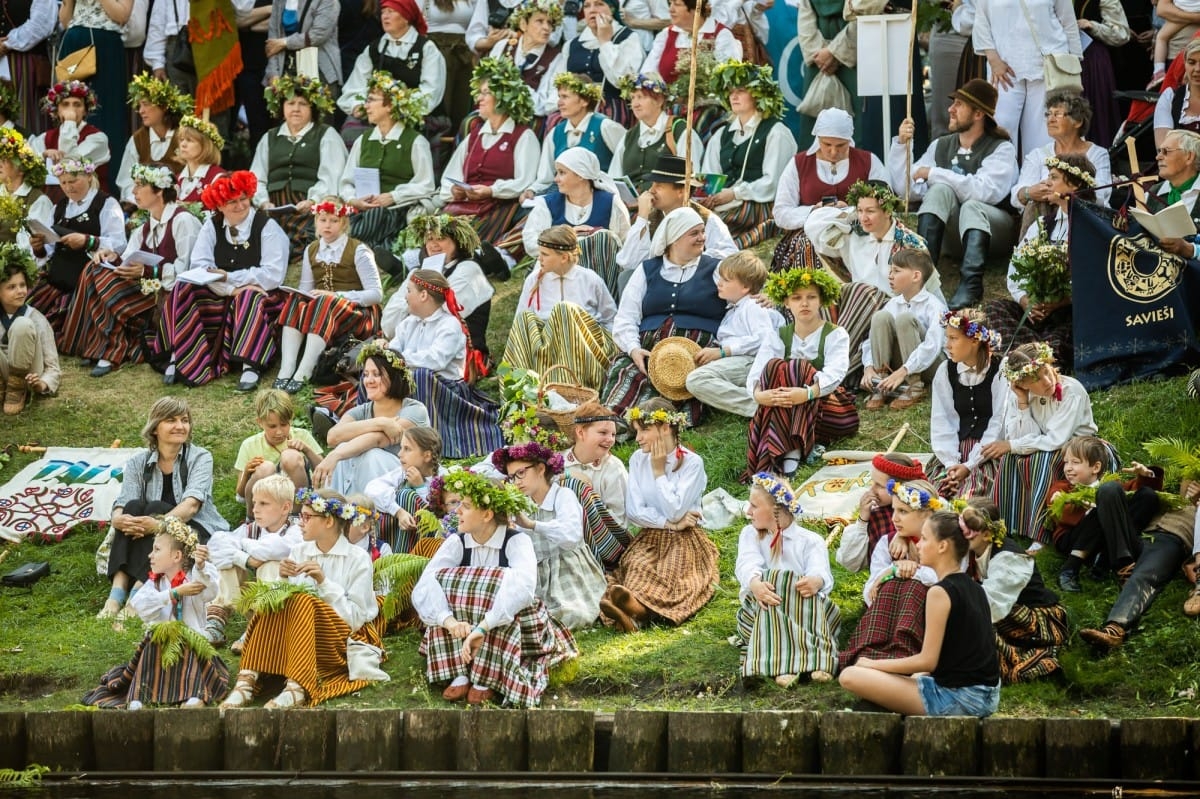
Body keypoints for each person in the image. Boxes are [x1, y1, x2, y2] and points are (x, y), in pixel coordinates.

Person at [412, 469, 578, 706]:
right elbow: (425, 585)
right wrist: (449, 621)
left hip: (507, 620)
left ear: (487, 514)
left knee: (496, 582)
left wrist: (483, 627)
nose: (457, 510)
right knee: (444, 579)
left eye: (466, 506)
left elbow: (523, 589)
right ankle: (460, 670)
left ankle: (486, 677)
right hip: (462, 623)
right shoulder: (457, 541)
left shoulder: (516, 541)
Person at [221, 488, 385, 709]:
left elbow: (356, 619)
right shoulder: (299, 551)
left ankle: (297, 687)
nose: (300, 523)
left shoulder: (358, 559)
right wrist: (283, 580)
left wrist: (324, 583)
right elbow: (285, 605)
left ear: (328, 522)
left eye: (307, 517)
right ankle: (246, 681)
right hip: (297, 637)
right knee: (275, 600)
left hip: (336, 641)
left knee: (304, 602)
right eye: (300, 516)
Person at [839, 509, 1002, 717]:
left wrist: (872, 664)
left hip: (961, 699)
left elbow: (927, 661)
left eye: (924, 539)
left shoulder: (939, 592)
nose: (917, 545)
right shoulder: (975, 588)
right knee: (913, 677)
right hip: (987, 695)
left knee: (850, 675)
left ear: (942, 546)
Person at [890, 78, 1019, 310]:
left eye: (959, 104)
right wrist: (901, 145)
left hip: (994, 233)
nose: (950, 109)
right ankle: (922, 272)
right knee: (939, 190)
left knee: (972, 205)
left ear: (978, 113)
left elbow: (983, 191)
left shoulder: (1001, 148)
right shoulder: (941, 145)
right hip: (953, 237)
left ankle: (971, 284)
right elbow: (906, 190)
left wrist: (933, 172)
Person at [159, 171, 289, 391]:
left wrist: (231, 278)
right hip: (221, 290)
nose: (240, 206)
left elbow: (272, 274)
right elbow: (200, 266)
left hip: (262, 292)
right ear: (218, 205)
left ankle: (250, 363)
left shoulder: (267, 227)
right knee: (184, 286)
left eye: (243, 199)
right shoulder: (212, 225)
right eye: (232, 202)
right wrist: (229, 289)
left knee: (249, 295)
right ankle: (179, 354)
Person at [101, 397, 229, 619]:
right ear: (155, 428)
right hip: (151, 530)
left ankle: (137, 593)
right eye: (171, 420)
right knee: (133, 507)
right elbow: (124, 500)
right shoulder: (137, 462)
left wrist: (158, 524)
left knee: (156, 508)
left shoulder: (200, 457)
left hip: (195, 528)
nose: (180, 426)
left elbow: (191, 506)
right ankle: (116, 593)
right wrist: (118, 518)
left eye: (185, 420)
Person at [69, 163, 200, 378]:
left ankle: (109, 350)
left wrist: (150, 272)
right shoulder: (144, 228)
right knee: (96, 269)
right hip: (146, 293)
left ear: (159, 190)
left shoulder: (183, 221)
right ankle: (105, 347)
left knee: (105, 281)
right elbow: (127, 260)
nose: (134, 192)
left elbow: (188, 272)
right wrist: (111, 257)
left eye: (140, 186)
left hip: (171, 298)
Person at [83, 518, 230, 708]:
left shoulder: (194, 577)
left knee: (187, 638)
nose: (150, 555)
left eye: (157, 550)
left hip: (192, 648)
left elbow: (210, 590)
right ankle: (139, 696)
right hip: (162, 649)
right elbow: (141, 606)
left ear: (177, 556)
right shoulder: (154, 583)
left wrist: (201, 566)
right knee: (153, 638)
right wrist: (173, 593)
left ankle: (195, 694)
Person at [804, 180, 936, 389]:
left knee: (865, 292)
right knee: (825, 294)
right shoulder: (852, 235)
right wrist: (848, 215)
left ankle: (829, 369)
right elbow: (812, 226)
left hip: (889, 311)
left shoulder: (910, 244)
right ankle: (815, 359)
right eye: (860, 210)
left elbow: (927, 291)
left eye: (871, 211)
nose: (863, 218)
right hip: (855, 307)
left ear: (887, 210)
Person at [599, 399, 718, 632]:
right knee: (637, 564)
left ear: (665, 427)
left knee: (673, 571)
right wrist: (670, 524)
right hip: (652, 535)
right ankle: (634, 613)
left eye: (644, 430)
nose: (638, 438)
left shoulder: (692, 463)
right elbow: (634, 512)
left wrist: (658, 471)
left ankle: (637, 614)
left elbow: (676, 509)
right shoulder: (636, 459)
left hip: (685, 538)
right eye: (636, 431)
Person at [603, 206, 726, 420]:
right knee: (626, 371)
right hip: (650, 349)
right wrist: (634, 350)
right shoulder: (648, 269)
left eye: (702, 231)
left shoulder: (716, 268)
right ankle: (615, 423)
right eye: (694, 233)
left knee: (684, 382)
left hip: (696, 352)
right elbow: (626, 316)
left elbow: (741, 303)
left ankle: (660, 418)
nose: (702, 238)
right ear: (675, 238)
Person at [745, 266, 858, 476]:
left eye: (811, 297)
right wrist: (762, 395)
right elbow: (758, 371)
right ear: (786, 302)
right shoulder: (777, 335)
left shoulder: (835, 334)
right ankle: (792, 447)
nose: (804, 303)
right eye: (796, 298)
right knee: (773, 367)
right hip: (787, 407)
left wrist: (805, 394)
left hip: (829, 412)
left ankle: (790, 451)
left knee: (798, 366)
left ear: (821, 300)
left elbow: (835, 374)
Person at [987, 154, 1095, 368]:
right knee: (994, 310)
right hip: (1036, 311)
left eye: (1053, 178)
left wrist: (1060, 302)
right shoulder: (1041, 225)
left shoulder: (1092, 226)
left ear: (1074, 185)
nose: (1046, 182)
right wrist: (1026, 301)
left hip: (1071, 311)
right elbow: (1016, 268)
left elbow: (1095, 279)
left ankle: (1029, 355)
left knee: (1073, 330)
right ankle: (1033, 354)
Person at [735, 473, 840, 687]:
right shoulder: (750, 534)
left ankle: (799, 663)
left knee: (791, 583)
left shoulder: (810, 541)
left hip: (805, 616)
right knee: (774, 581)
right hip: (760, 612)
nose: (748, 511)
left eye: (754, 506)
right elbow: (747, 564)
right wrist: (756, 585)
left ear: (776, 511)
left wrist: (814, 582)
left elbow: (821, 572)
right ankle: (790, 664)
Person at [386, 269, 503, 458]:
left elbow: (436, 360)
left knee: (421, 375)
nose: (405, 296)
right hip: (412, 382)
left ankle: (428, 441)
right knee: (377, 369)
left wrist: (400, 358)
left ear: (423, 295)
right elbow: (392, 351)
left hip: (446, 391)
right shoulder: (408, 323)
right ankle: (378, 427)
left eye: (409, 291)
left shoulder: (449, 325)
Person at [989, 342, 1098, 543]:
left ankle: (1040, 532)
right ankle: (1012, 523)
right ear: (1021, 384)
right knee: (1011, 459)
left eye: (1046, 371)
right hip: (1046, 446)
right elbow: (1020, 436)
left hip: (1080, 449)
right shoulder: (1020, 396)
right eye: (1035, 379)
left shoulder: (1070, 390)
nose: (1047, 381)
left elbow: (1056, 439)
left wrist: (1012, 445)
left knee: (1042, 460)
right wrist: (1022, 402)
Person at [493, 442, 607, 629]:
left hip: (568, 570)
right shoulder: (519, 503)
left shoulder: (563, 496)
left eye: (521, 473)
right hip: (536, 575)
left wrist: (532, 525)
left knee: (571, 615)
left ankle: (611, 608)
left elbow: (570, 537)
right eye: (512, 477)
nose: (517, 481)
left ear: (540, 468)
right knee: (522, 619)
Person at [275, 197, 383, 393]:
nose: (328, 225)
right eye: (323, 220)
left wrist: (336, 295)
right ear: (316, 221)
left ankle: (304, 371)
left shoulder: (358, 250)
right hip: (324, 310)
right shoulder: (312, 249)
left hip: (359, 314)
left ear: (344, 223)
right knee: (296, 300)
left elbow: (376, 294)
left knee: (325, 300)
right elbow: (306, 288)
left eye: (334, 220)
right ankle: (287, 368)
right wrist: (305, 296)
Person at [1078, 482, 1200, 649]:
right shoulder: (1166, 497)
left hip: (1170, 542)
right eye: (1190, 481)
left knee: (1144, 576)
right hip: (1137, 537)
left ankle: (1115, 629)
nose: (1192, 485)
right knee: (1109, 489)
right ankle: (1124, 565)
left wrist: (1197, 501)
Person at [839, 477, 942, 669]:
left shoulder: (944, 542)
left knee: (911, 585)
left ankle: (903, 652)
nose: (894, 518)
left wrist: (914, 570)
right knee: (893, 582)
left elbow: (949, 581)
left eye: (903, 511)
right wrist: (894, 570)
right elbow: (870, 592)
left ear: (926, 515)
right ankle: (870, 649)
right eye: (894, 510)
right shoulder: (887, 542)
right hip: (889, 617)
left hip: (929, 617)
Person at [959, 500, 1067, 683]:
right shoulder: (971, 549)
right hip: (1003, 611)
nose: (962, 534)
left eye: (969, 530)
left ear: (987, 534)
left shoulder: (1009, 558)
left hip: (1032, 620)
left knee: (976, 618)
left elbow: (990, 604)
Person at [771, 108, 889, 274]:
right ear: (818, 139)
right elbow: (781, 212)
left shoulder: (869, 161)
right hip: (810, 233)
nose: (833, 152)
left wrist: (851, 211)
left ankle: (860, 295)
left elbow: (885, 204)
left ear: (849, 140)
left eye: (841, 145)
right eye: (827, 144)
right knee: (809, 244)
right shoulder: (798, 164)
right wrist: (815, 210)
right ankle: (816, 296)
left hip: (858, 229)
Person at [27, 156, 125, 353]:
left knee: (66, 336)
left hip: (89, 284)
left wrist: (88, 241)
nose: (68, 187)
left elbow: (119, 243)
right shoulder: (60, 207)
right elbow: (48, 249)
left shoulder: (106, 203)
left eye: (73, 181)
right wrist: (39, 245)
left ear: (89, 176)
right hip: (59, 280)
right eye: (63, 183)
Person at [438, 57, 540, 244]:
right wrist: (454, 191)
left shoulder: (523, 136)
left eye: (486, 93)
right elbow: (448, 178)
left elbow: (526, 182)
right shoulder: (474, 136)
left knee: (462, 241)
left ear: (502, 96)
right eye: (480, 93)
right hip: (462, 207)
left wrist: (491, 190)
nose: (479, 99)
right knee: (438, 233)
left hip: (498, 209)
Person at [505, 225, 618, 390]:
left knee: (564, 311)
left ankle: (574, 387)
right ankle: (523, 390)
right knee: (524, 318)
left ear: (564, 257)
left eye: (545, 254)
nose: (539, 259)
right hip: (546, 346)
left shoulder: (589, 279)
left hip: (584, 343)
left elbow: (610, 318)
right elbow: (520, 323)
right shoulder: (533, 280)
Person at [698, 60, 796, 248]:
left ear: (759, 94)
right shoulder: (720, 134)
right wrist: (710, 194)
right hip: (723, 205)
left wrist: (735, 193)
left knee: (715, 233)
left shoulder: (776, 132)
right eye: (731, 91)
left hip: (758, 207)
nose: (734, 96)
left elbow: (773, 183)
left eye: (741, 90)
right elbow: (709, 177)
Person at [1047, 436, 1163, 592]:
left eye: (1075, 462)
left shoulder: (1110, 486)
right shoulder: (1061, 487)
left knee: (1147, 495)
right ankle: (1070, 568)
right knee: (1100, 507)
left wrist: (1146, 476)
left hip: (1105, 539)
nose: (1068, 468)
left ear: (1095, 468)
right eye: (1066, 462)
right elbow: (1058, 511)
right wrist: (1063, 501)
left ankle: (1104, 560)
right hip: (1073, 539)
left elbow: (1132, 493)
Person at [251, 75, 349, 259]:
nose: (295, 109)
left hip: (307, 203)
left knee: (302, 237)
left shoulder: (326, 135)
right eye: (290, 103)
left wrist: (313, 201)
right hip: (273, 204)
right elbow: (257, 177)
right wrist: (263, 202)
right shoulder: (270, 137)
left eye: (302, 104)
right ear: (282, 107)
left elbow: (332, 176)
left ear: (312, 108)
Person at [312, 342, 431, 492]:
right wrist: (380, 422)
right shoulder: (361, 411)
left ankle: (369, 511)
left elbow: (378, 439)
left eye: (377, 374)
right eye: (366, 374)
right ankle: (338, 507)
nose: (369, 380)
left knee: (371, 454)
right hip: (366, 475)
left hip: (409, 480)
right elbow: (333, 436)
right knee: (344, 448)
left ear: (394, 377)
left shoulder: (415, 410)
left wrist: (336, 455)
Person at [339, 71, 437, 249]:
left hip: (395, 211)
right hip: (362, 208)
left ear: (390, 105)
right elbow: (346, 182)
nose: (366, 106)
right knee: (326, 217)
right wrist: (353, 200)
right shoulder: (363, 140)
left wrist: (393, 196)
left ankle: (351, 243)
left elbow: (426, 184)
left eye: (371, 100)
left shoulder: (415, 141)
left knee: (374, 217)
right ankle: (357, 243)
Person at [204, 474, 303, 649]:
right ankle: (215, 622)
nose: (255, 509)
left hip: (282, 607)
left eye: (264, 504)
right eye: (255, 502)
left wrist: (242, 544)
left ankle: (261, 627)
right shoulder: (253, 529)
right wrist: (245, 559)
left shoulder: (297, 531)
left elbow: (272, 549)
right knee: (228, 564)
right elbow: (215, 546)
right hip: (250, 599)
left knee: (270, 564)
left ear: (285, 507)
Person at [973, 0, 1081, 155]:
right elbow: (981, 21)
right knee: (1001, 126)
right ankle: (1001, 176)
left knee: (1045, 130)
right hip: (1002, 68)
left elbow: (1069, 23)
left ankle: (1042, 176)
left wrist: (1073, 66)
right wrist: (993, 59)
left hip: (1049, 66)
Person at [521, 147, 632, 297]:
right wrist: (566, 237)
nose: (556, 179)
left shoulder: (611, 202)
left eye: (562, 173)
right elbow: (530, 242)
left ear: (581, 175)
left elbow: (624, 245)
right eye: (557, 172)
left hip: (601, 276)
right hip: (559, 275)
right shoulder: (547, 204)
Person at [386, 213, 493, 365]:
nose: (433, 244)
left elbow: (438, 313)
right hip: (412, 352)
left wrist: (411, 305)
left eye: (441, 238)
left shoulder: (469, 269)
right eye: (430, 238)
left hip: (458, 358)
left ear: (457, 242)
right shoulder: (416, 273)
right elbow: (389, 323)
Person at [684, 250, 780, 417]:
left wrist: (723, 351)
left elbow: (765, 338)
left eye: (726, 280)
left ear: (745, 287)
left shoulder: (753, 305)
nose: (719, 283)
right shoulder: (733, 309)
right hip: (737, 361)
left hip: (752, 361)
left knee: (696, 380)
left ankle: (760, 408)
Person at [614, 153, 737, 276]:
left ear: (682, 191)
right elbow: (629, 263)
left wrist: (690, 260)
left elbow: (729, 258)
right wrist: (642, 218)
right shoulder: (648, 218)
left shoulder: (707, 219)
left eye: (659, 186)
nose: (651, 190)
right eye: (652, 184)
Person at [929, 309, 1006, 499]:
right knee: (932, 496)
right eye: (947, 338)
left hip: (988, 453)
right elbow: (942, 421)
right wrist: (950, 465)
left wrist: (969, 465)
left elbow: (999, 421)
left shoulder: (1001, 368)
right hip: (954, 451)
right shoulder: (945, 371)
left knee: (970, 497)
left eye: (953, 338)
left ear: (974, 340)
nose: (947, 345)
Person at [860, 249, 948, 412]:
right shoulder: (893, 303)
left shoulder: (935, 306)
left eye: (896, 271)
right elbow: (869, 340)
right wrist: (869, 367)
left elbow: (933, 346)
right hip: (900, 366)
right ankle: (881, 382)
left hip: (930, 367)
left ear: (916, 276)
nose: (890, 276)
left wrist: (904, 370)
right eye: (890, 270)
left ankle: (914, 386)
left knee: (905, 319)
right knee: (880, 317)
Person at [337, 0, 445, 121]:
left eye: (391, 11)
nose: (385, 16)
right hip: (376, 114)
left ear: (406, 17)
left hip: (417, 116)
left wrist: (400, 108)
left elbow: (431, 91)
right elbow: (355, 86)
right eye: (383, 12)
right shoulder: (373, 49)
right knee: (350, 131)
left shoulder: (426, 49)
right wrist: (357, 105)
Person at [55, 0, 133, 165]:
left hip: (104, 46)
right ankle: (68, 170)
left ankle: (106, 175)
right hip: (74, 44)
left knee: (106, 111)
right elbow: (65, 21)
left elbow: (122, 16)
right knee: (71, 106)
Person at [527, 73, 626, 196]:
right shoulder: (555, 133)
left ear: (584, 101)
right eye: (559, 97)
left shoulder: (606, 126)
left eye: (565, 97)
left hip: (601, 197)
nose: (559, 103)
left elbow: (626, 160)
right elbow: (545, 178)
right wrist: (532, 191)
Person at [1010, 94, 1112, 213]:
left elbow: (1101, 194)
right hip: (1044, 222)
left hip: (1083, 217)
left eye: (1057, 114)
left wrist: (1060, 190)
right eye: (1048, 114)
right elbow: (1016, 198)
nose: (1050, 119)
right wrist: (1029, 192)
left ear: (1078, 121)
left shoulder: (1097, 154)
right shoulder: (1037, 154)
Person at [561, 401, 632, 567]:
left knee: (578, 488)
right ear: (580, 432)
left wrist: (589, 504)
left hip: (605, 541)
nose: (610, 440)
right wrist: (568, 474)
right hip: (563, 533)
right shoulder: (559, 462)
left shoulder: (614, 468)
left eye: (613, 435)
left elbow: (619, 521)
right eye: (603, 432)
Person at [607, 72, 702, 193]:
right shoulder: (628, 137)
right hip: (629, 209)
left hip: (667, 209)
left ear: (659, 100)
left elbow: (688, 181)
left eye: (641, 97)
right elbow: (613, 179)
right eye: (633, 98)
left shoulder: (680, 131)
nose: (635, 104)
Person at [835, 454, 929, 573]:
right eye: (872, 482)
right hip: (885, 581)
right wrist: (863, 520)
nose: (872, 490)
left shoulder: (925, 509)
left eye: (879, 486)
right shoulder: (877, 516)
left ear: (901, 487)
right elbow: (849, 563)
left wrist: (902, 536)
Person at [234, 389, 323, 504]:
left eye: (284, 424)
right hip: (267, 498)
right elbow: (241, 495)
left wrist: (306, 450)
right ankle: (252, 518)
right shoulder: (249, 445)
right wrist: (246, 473)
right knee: (266, 468)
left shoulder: (301, 435)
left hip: (300, 493)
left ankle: (297, 512)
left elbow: (324, 473)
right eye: (272, 426)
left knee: (291, 457)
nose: (279, 432)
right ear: (260, 422)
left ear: (291, 418)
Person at [564, 0, 646, 126]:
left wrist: (605, 42)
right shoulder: (571, 45)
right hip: (575, 111)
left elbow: (622, 81)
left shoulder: (628, 38)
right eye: (587, 6)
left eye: (599, 4)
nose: (592, 10)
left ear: (612, 9)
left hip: (612, 113)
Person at [363, 425, 443, 553]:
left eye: (407, 449)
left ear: (427, 456)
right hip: (398, 539)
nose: (400, 454)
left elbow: (440, 517)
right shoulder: (401, 473)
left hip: (429, 546)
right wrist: (398, 511)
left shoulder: (444, 478)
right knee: (399, 495)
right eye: (401, 448)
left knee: (406, 495)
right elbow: (371, 489)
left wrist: (420, 488)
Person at [0, 243, 59, 416]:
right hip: (4, 373)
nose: (20, 291)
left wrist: (42, 384)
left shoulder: (36, 318)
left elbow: (53, 367)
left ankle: (16, 391)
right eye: (11, 287)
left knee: (22, 324)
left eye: (22, 285)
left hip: (28, 376)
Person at [115, 73, 190, 206]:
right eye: (139, 106)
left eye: (146, 104)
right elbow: (125, 182)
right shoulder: (138, 139)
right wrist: (140, 202)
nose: (141, 111)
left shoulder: (183, 135)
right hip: (144, 208)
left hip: (180, 205)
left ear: (164, 106)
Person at [793, 0, 856, 149]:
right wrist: (823, 54)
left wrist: (833, 52)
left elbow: (866, 11)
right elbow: (805, 14)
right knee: (814, 125)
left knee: (855, 122)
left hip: (852, 59)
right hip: (819, 62)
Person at [488, 0, 564, 121]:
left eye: (550, 23)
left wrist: (515, 85)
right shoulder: (502, 46)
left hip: (529, 119)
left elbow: (547, 105)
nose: (546, 28)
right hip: (496, 112)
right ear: (523, 24)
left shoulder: (556, 58)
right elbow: (487, 84)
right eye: (540, 21)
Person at [27, 80, 110, 185]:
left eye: (77, 105)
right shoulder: (45, 138)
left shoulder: (97, 138)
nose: (71, 110)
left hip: (88, 200)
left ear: (85, 110)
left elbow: (70, 164)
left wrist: (69, 122)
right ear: (57, 111)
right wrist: (44, 155)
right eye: (65, 104)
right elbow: (26, 166)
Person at [641, 0, 741, 85]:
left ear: (695, 9)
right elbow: (647, 74)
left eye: (677, 4)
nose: (671, 9)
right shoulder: (666, 35)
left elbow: (729, 79)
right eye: (670, 3)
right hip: (667, 105)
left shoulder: (720, 35)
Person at [0, 0, 55, 136]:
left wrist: (7, 43)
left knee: (24, 117)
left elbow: (41, 25)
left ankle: (27, 155)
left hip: (24, 63)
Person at [264, 0, 343, 92]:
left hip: (318, 69)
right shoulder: (279, 1)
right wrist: (273, 73)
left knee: (317, 104)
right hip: (285, 70)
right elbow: (272, 42)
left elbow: (318, 35)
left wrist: (285, 42)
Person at [1154, 39, 1200, 147]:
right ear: (1185, 64)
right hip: (1178, 163)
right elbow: (1163, 149)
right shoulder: (1170, 97)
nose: (1197, 69)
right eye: (1191, 62)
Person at [173, 115, 226, 205]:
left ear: (205, 146)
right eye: (181, 140)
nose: (183, 144)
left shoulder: (218, 177)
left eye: (189, 140)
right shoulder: (176, 179)